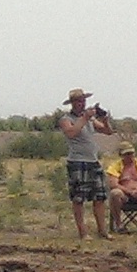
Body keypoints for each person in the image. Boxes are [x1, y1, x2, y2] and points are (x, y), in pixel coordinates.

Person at [58, 88, 115, 239]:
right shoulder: (66, 119)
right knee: (79, 198)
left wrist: (104, 119)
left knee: (99, 197)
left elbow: (108, 131)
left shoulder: (90, 119)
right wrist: (85, 117)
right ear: (72, 103)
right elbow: (71, 133)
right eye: (78, 101)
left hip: (93, 161)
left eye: (83, 101)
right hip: (77, 162)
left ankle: (102, 231)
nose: (81, 104)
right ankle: (83, 232)